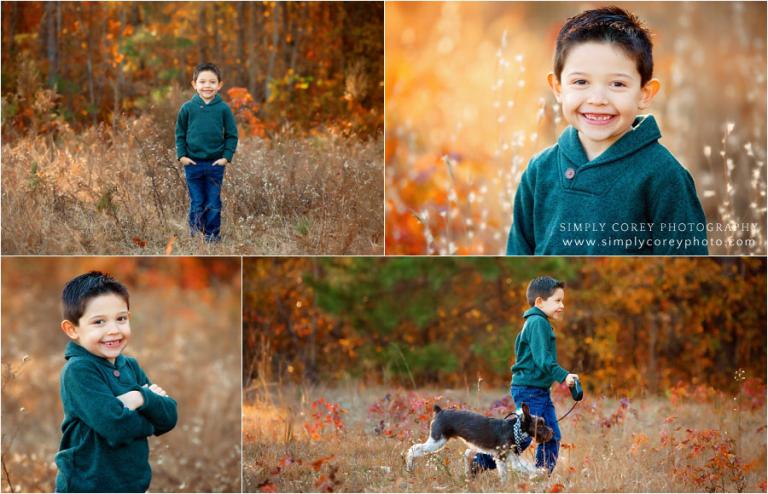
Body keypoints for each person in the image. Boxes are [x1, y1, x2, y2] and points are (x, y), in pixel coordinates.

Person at [507, 7, 708, 255]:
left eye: (617, 84)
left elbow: (683, 272)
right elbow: (518, 256)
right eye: (581, 82)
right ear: (558, 88)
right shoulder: (539, 171)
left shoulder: (664, 176)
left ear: (645, 93)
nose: (598, 99)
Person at [55, 271, 178, 493]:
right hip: (87, 485)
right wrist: (150, 420)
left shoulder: (130, 366)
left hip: (132, 485)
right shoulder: (79, 370)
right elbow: (115, 426)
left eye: (121, 318)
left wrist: (139, 397)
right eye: (99, 322)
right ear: (72, 329)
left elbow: (169, 417)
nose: (113, 330)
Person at [473, 276, 578, 475]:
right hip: (530, 390)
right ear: (539, 301)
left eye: (562, 300)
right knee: (524, 437)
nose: (562, 305)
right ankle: (480, 461)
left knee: (551, 436)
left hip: (537, 390)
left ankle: (540, 475)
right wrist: (564, 376)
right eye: (557, 300)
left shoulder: (535, 322)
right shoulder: (538, 322)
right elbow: (543, 360)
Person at [176, 62, 239, 242]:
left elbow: (232, 135)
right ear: (194, 84)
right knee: (197, 202)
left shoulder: (223, 109)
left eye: (212, 82)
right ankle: (196, 236)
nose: (207, 86)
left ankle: (212, 236)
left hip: (215, 164)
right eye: (202, 82)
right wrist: (182, 156)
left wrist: (226, 158)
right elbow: (179, 133)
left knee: (213, 203)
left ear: (219, 85)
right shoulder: (187, 108)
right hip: (192, 164)